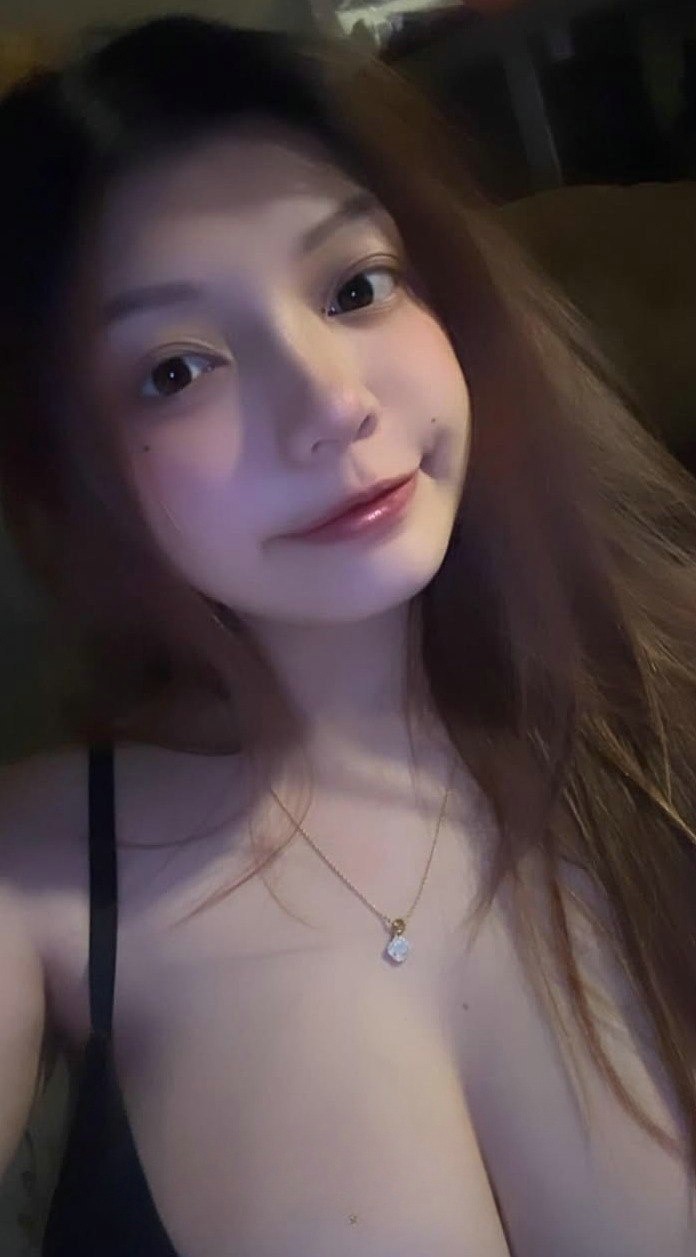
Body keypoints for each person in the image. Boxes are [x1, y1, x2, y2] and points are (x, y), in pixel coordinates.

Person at [0, 14, 694, 1257]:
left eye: (356, 286)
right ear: (70, 469)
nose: (332, 404)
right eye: (176, 370)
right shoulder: (40, 868)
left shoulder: (664, 710)